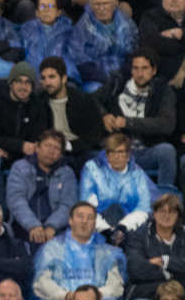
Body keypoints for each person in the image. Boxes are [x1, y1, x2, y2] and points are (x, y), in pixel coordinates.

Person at [94, 49, 177, 190]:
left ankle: (164, 200)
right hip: (117, 151)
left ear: (154, 70)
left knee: (167, 151)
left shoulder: (163, 91)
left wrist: (128, 122)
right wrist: (104, 116)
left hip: (146, 151)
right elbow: (91, 102)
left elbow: (167, 124)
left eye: (144, 68)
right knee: (94, 155)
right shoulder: (117, 84)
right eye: (136, 68)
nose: (140, 73)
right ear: (131, 70)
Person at [33, 201, 126, 300]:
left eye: (90, 217)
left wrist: (92, 297)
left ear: (94, 223)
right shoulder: (52, 249)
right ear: (70, 221)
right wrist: (66, 295)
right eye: (80, 216)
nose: (84, 221)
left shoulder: (107, 253)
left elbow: (116, 286)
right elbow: (41, 283)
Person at [5, 129, 77, 249]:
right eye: (47, 145)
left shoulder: (67, 173)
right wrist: (33, 225)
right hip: (25, 226)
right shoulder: (20, 167)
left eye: (56, 148)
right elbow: (16, 200)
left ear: (60, 154)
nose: (51, 151)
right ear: (37, 147)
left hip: (56, 228)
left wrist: (52, 225)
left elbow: (68, 204)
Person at [121, 193, 185, 300]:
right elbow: (136, 269)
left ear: (178, 215)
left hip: (181, 297)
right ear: (154, 214)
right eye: (161, 211)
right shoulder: (138, 237)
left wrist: (165, 262)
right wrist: (169, 274)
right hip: (149, 295)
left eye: (172, 211)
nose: (166, 216)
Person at [80, 132, 154, 240]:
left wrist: (123, 227)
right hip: (97, 230)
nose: (116, 156)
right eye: (111, 152)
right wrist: (106, 230)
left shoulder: (137, 173)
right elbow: (87, 205)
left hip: (130, 229)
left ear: (128, 155)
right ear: (106, 154)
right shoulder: (92, 169)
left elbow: (143, 207)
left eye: (120, 152)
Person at [39, 56, 108, 166]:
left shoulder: (82, 99)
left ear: (64, 78)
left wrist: (70, 145)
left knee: (97, 161)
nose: (47, 82)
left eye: (52, 77)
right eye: (44, 78)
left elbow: (96, 134)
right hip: (54, 152)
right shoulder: (40, 102)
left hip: (82, 150)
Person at [0, 62, 49, 167]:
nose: (23, 86)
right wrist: (20, 146)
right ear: (11, 83)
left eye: (28, 82)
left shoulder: (39, 107)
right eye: (18, 81)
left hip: (26, 156)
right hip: (0, 152)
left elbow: (34, 143)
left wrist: (10, 154)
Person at [69, 0, 138, 90]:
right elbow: (78, 58)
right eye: (97, 4)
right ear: (92, 7)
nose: (101, 8)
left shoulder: (127, 24)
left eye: (105, 4)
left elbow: (134, 52)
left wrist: (122, 76)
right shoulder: (82, 26)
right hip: (94, 79)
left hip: (124, 76)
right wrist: (104, 79)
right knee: (94, 89)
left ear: (114, 5)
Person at [21, 0, 79, 83]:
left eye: (51, 6)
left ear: (58, 12)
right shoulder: (27, 29)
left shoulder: (68, 31)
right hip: (35, 80)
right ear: (37, 12)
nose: (46, 10)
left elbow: (72, 59)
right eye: (42, 6)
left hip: (63, 79)